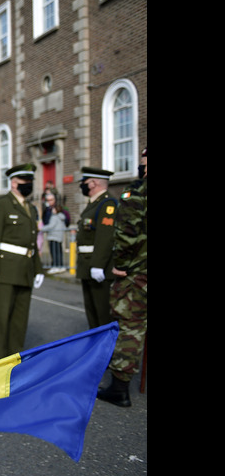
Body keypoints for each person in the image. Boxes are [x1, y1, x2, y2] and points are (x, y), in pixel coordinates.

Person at [98, 148, 147, 407]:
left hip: (138, 273)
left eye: (142, 162)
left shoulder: (136, 193)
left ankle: (119, 388)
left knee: (130, 326)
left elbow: (127, 233)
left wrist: (121, 265)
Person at [0, 164, 44, 361]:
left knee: (20, 317)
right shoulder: (0, 204)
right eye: (26, 182)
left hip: (25, 269)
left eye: (31, 182)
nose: (29, 185)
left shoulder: (31, 208)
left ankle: (14, 355)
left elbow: (32, 241)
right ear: (14, 182)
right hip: (4, 268)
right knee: (1, 316)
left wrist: (39, 268)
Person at [76, 167, 118, 329]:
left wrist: (98, 265)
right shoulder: (94, 204)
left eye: (84, 182)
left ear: (93, 183)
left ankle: (108, 352)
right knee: (92, 314)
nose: (83, 186)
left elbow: (105, 237)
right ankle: (96, 350)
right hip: (88, 265)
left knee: (103, 315)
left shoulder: (107, 204)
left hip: (99, 267)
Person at [41, 192, 67, 273]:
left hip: (53, 235)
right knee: (57, 251)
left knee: (55, 252)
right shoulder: (49, 211)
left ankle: (56, 266)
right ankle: (58, 265)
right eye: (48, 200)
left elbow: (51, 225)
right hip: (57, 236)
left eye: (51, 200)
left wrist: (42, 229)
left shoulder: (55, 217)